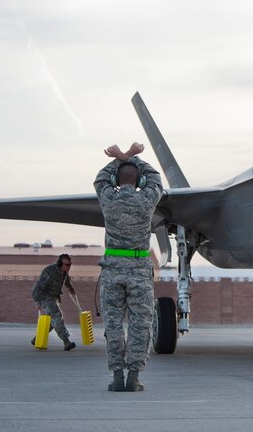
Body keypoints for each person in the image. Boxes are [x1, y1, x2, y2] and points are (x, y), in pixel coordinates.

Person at [94, 142, 163, 392]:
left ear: (115, 179)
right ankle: (134, 376)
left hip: (112, 268)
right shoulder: (146, 199)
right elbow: (155, 178)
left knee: (112, 324)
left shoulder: (108, 198)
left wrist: (121, 157)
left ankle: (116, 377)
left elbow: (101, 178)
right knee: (140, 323)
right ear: (139, 182)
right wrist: (132, 156)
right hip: (139, 268)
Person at [31, 254, 77, 351]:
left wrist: (71, 289)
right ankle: (66, 341)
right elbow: (37, 287)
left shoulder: (64, 271)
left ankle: (37, 339)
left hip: (53, 298)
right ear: (61, 264)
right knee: (57, 315)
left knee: (52, 321)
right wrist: (37, 302)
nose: (69, 267)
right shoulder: (50, 271)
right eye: (67, 265)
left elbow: (66, 280)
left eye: (70, 264)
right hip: (44, 296)